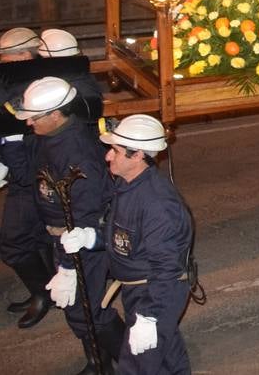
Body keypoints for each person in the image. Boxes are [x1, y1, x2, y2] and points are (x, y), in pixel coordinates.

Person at [58, 114, 193, 372]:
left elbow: (166, 268)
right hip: (139, 289)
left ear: (138, 155)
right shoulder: (126, 185)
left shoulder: (158, 205)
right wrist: (90, 238)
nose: (108, 156)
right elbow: (123, 236)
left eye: (115, 151)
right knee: (167, 357)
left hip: (156, 293)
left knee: (136, 366)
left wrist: (149, 317)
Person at [11, 77, 123, 372]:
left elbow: (85, 215)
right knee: (79, 311)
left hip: (80, 241)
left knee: (89, 311)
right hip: (59, 235)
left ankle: (136, 363)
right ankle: (99, 363)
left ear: (55, 114)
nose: (28, 123)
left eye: (34, 118)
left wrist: (68, 266)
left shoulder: (78, 153)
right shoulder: (48, 137)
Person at [0, 27, 53, 329]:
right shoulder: (18, 79)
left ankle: (43, 292)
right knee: (35, 236)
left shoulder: (30, 86)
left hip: (29, 174)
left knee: (13, 242)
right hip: (21, 170)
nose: (3, 60)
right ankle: (46, 289)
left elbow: (18, 135)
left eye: (7, 55)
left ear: (24, 55)